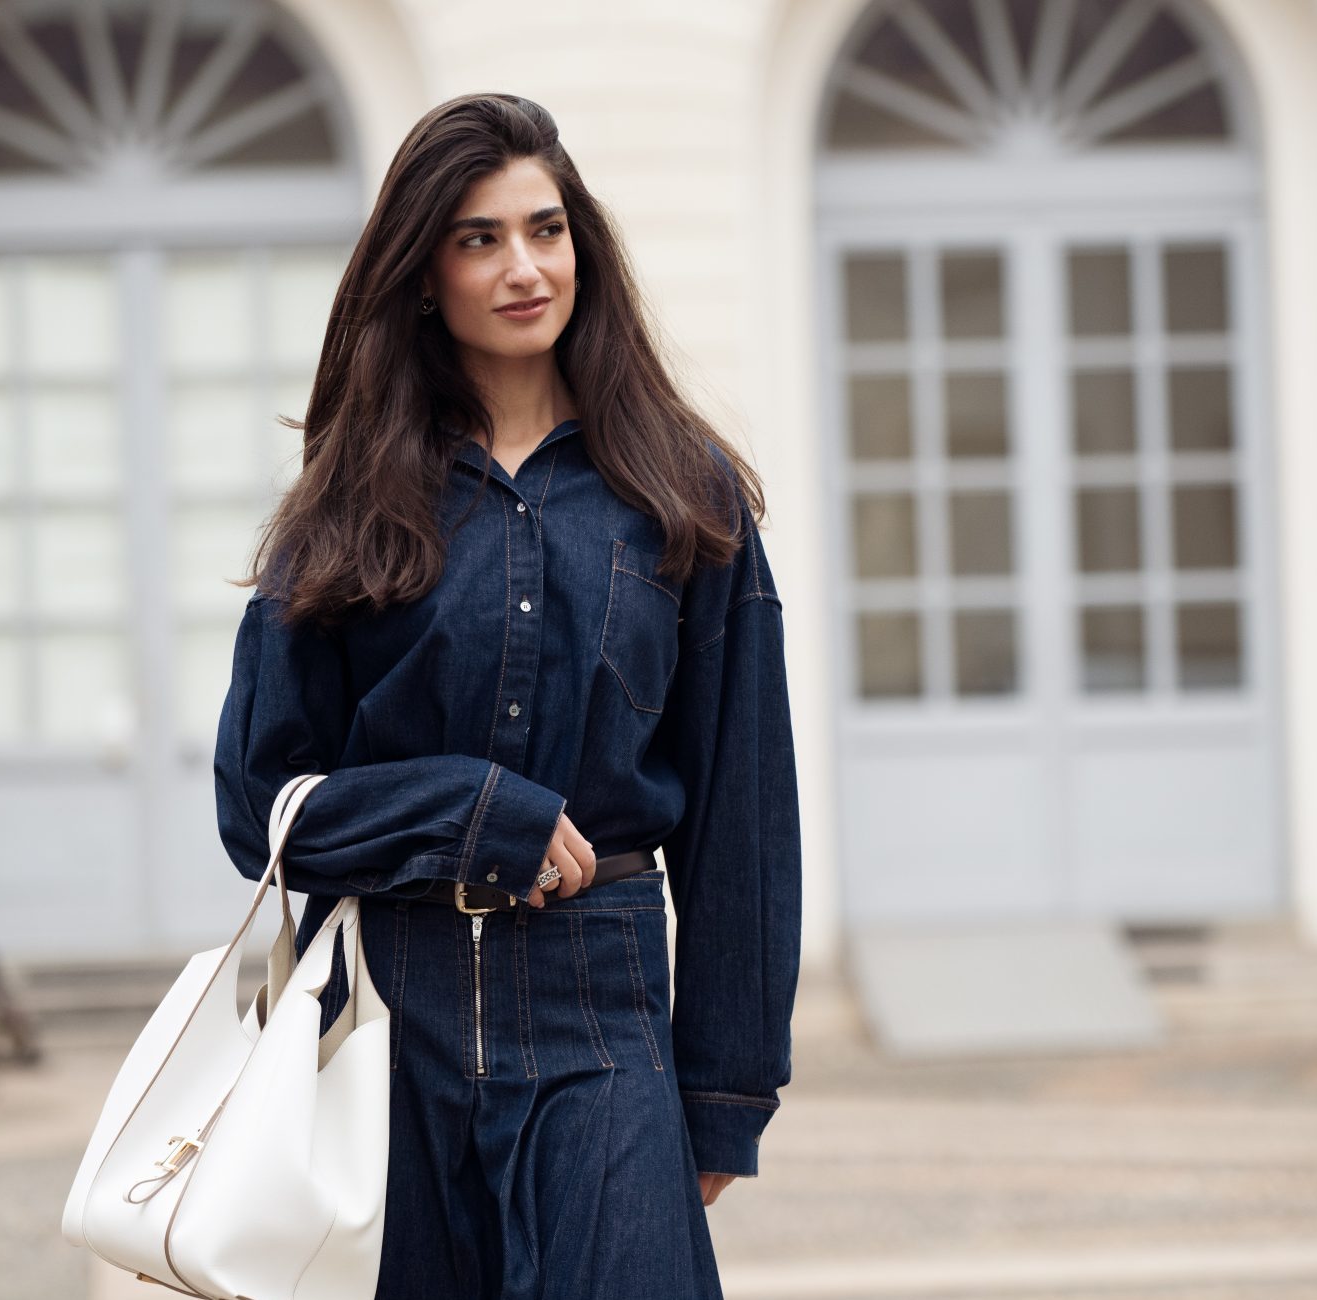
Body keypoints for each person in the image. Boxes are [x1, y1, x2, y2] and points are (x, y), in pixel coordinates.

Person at [211, 91, 802, 1300]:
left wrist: (724, 1089)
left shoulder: (682, 493)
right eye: (479, 238)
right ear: (423, 273)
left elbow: (742, 813)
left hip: (603, 1014)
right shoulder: (349, 502)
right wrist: (464, 811)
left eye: (545, 228)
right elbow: (258, 802)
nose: (523, 267)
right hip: (392, 1021)